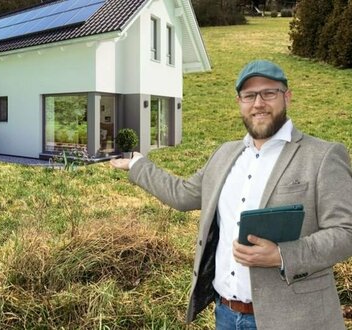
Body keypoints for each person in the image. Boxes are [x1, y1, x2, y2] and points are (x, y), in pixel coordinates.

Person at [110, 60, 352, 329]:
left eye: (268, 93)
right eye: (249, 95)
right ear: (240, 102)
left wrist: (283, 255)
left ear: (287, 97)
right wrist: (137, 164)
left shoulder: (322, 155)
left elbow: (346, 232)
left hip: (294, 318)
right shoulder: (225, 154)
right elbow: (182, 195)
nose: (258, 103)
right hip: (226, 315)